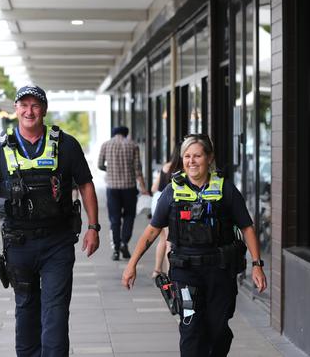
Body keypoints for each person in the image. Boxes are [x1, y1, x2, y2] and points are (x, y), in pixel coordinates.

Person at [0, 85, 100, 357]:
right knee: (26, 306)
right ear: (16, 109)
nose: (29, 111)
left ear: (44, 109)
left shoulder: (67, 145)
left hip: (58, 243)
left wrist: (93, 227)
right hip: (19, 244)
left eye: (35, 105)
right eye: (24, 105)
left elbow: (86, 185)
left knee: (55, 309)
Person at [122, 134, 267, 357]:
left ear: (209, 158)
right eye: (187, 156)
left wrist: (256, 264)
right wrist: (132, 264)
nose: (191, 161)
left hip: (220, 271)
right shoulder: (172, 191)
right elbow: (152, 230)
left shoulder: (226, 190)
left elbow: (247, 227)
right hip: (185, 271)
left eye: (197, 155)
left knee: (218, 329)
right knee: (191, 328)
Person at [98, 125, 149, 261]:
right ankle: (124, 243)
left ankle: (115, 248)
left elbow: (99, 164)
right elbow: (138, 169)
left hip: (112, 188)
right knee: (129, 216)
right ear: (126, 133)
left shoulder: (106, 145)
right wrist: (143, 187)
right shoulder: (133, 145)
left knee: (114, 218)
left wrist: (110, 169)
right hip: (129, 188)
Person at [149, 145, 182, 278]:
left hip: (158, 202)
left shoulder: (166, 166)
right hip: (171, 206)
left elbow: (153, 188)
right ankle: (170, 273)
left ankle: (157, 270)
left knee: (162, 238)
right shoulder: (183, 169)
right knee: (170, 241)